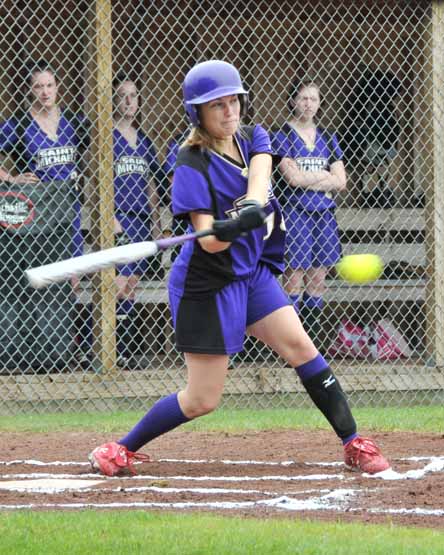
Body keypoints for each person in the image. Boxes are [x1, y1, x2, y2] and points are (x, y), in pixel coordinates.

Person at [88, 60, 390, 477]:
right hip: (207, 285)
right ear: (198, 113)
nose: (230, 112)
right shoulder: (190, 162)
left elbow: (262, 171)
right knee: (202, 400)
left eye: (234, 102)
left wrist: (249, 207)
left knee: (302, 348)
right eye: (218, 106)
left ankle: (354, 442)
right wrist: (229, 228)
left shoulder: (252, 136)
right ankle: (120, 448)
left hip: (251, 275)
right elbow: (208, 240)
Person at [0, 59, 89, 372]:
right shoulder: (20, 125)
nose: (44, 92)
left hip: (67, 216)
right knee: (35, 283)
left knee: (72, 279)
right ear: (30, 90)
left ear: (57, 87)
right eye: (38, 86)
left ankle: (66, 349)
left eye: (49, 85)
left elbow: (97, 158)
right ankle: (32, 354)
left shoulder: (75, 123)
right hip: (35, 221)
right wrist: (10, 178)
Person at [270, 80, 346, 346]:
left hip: (323, 214)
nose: (308, 104)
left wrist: (310, 177)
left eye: (313, 99)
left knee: (318, 280)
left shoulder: (327, 135)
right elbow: (292, 179)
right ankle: (293, 345)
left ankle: (310, 345)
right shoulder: (283, 135)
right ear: (293, 101)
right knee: (295, 280)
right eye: (303, 98)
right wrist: (325, 175)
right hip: (296, 213)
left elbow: (341, 181)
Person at [111, 72, 163, 366]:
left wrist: (155, 221)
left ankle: (127, 351)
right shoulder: (107, 136)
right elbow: (98, 181)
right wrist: (109, 219)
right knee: (118, 284)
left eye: (133, 96)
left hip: (141, 217)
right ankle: (112, 350)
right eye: (123, 96)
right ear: (114, 100)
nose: (129, 101)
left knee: (132, 285)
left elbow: (151, 184)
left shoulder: (143, 140)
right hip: (119, 217)